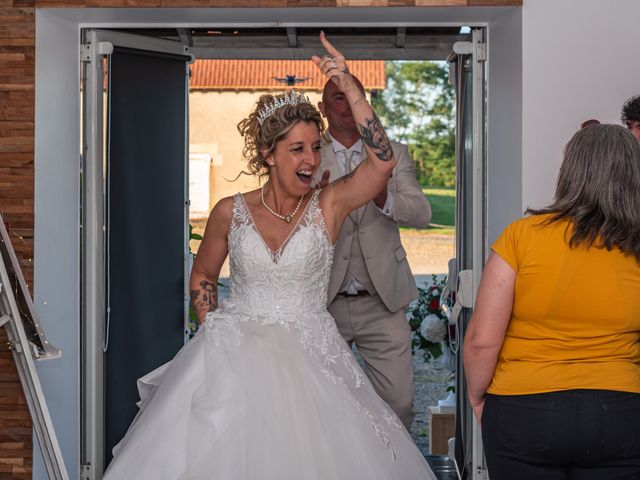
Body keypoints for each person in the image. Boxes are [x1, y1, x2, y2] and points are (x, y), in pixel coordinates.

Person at [102, 33, 436, 479]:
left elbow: (381, 163)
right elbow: (203, 274)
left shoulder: (329, 203)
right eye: (298, 149)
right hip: (232, 355)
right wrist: (213, 326)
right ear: (269, 154)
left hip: (312, 355)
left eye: (316, 147)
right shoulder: (230, 211)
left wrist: (351, 88)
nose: (312, 159)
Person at [463, 124, 640, 479]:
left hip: (522, 409)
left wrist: (477, 396)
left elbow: (482, 339)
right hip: (623, 411)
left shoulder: (522, 237)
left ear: (570, 171)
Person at [314, 76, 431, 430]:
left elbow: (422, 213)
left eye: (355, 98)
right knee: (319, 404)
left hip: (382, 300)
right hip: (322, 301)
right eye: (338, 98)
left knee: (400, 403)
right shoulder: (307, 152)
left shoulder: (392, 153)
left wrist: (385, 198)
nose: (348, 105)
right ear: (323, 109)